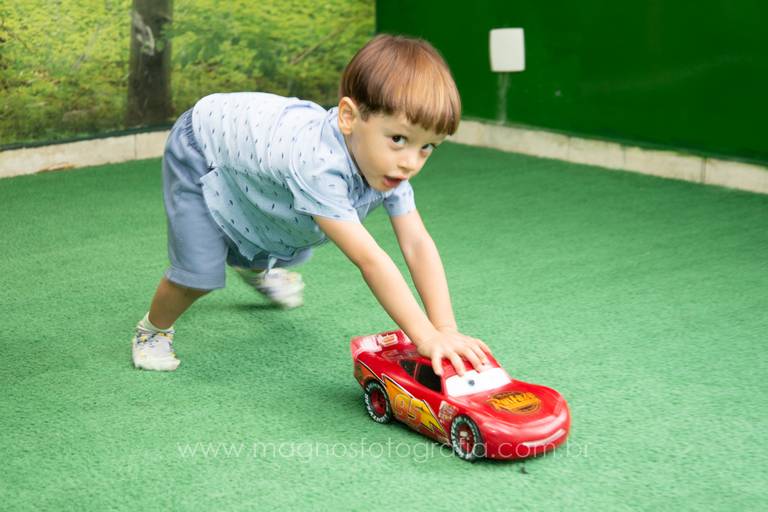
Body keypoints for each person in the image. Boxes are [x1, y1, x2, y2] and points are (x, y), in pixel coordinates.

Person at [132, 33, 492, 375]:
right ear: (349, 118)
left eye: (427, 146)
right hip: (202, 145)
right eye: (398, 138)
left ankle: (255, 266)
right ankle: (152, 331)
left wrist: (446, 328)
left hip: (260, 160)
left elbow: (416, 242)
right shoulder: (318, 166)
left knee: (292, 225)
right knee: (198, 274)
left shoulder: (390, 164)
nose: (411, 162)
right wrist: (425, 337)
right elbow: (370, 259)